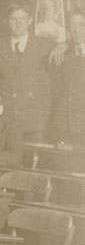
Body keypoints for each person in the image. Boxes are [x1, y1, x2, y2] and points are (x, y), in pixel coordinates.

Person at [0, 2, 54, 142]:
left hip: (35, 122)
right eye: (13, 19)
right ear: (7, 21)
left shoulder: (45, 47)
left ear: (30, 20)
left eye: (23, 18)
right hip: (7, 119)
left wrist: (63, 45)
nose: (18, 23)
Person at [51, 9, 85, 145]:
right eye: (73, 26)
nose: (77, 30)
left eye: (82, 25)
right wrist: (62, 44)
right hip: (63, 125)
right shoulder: (61, 54)